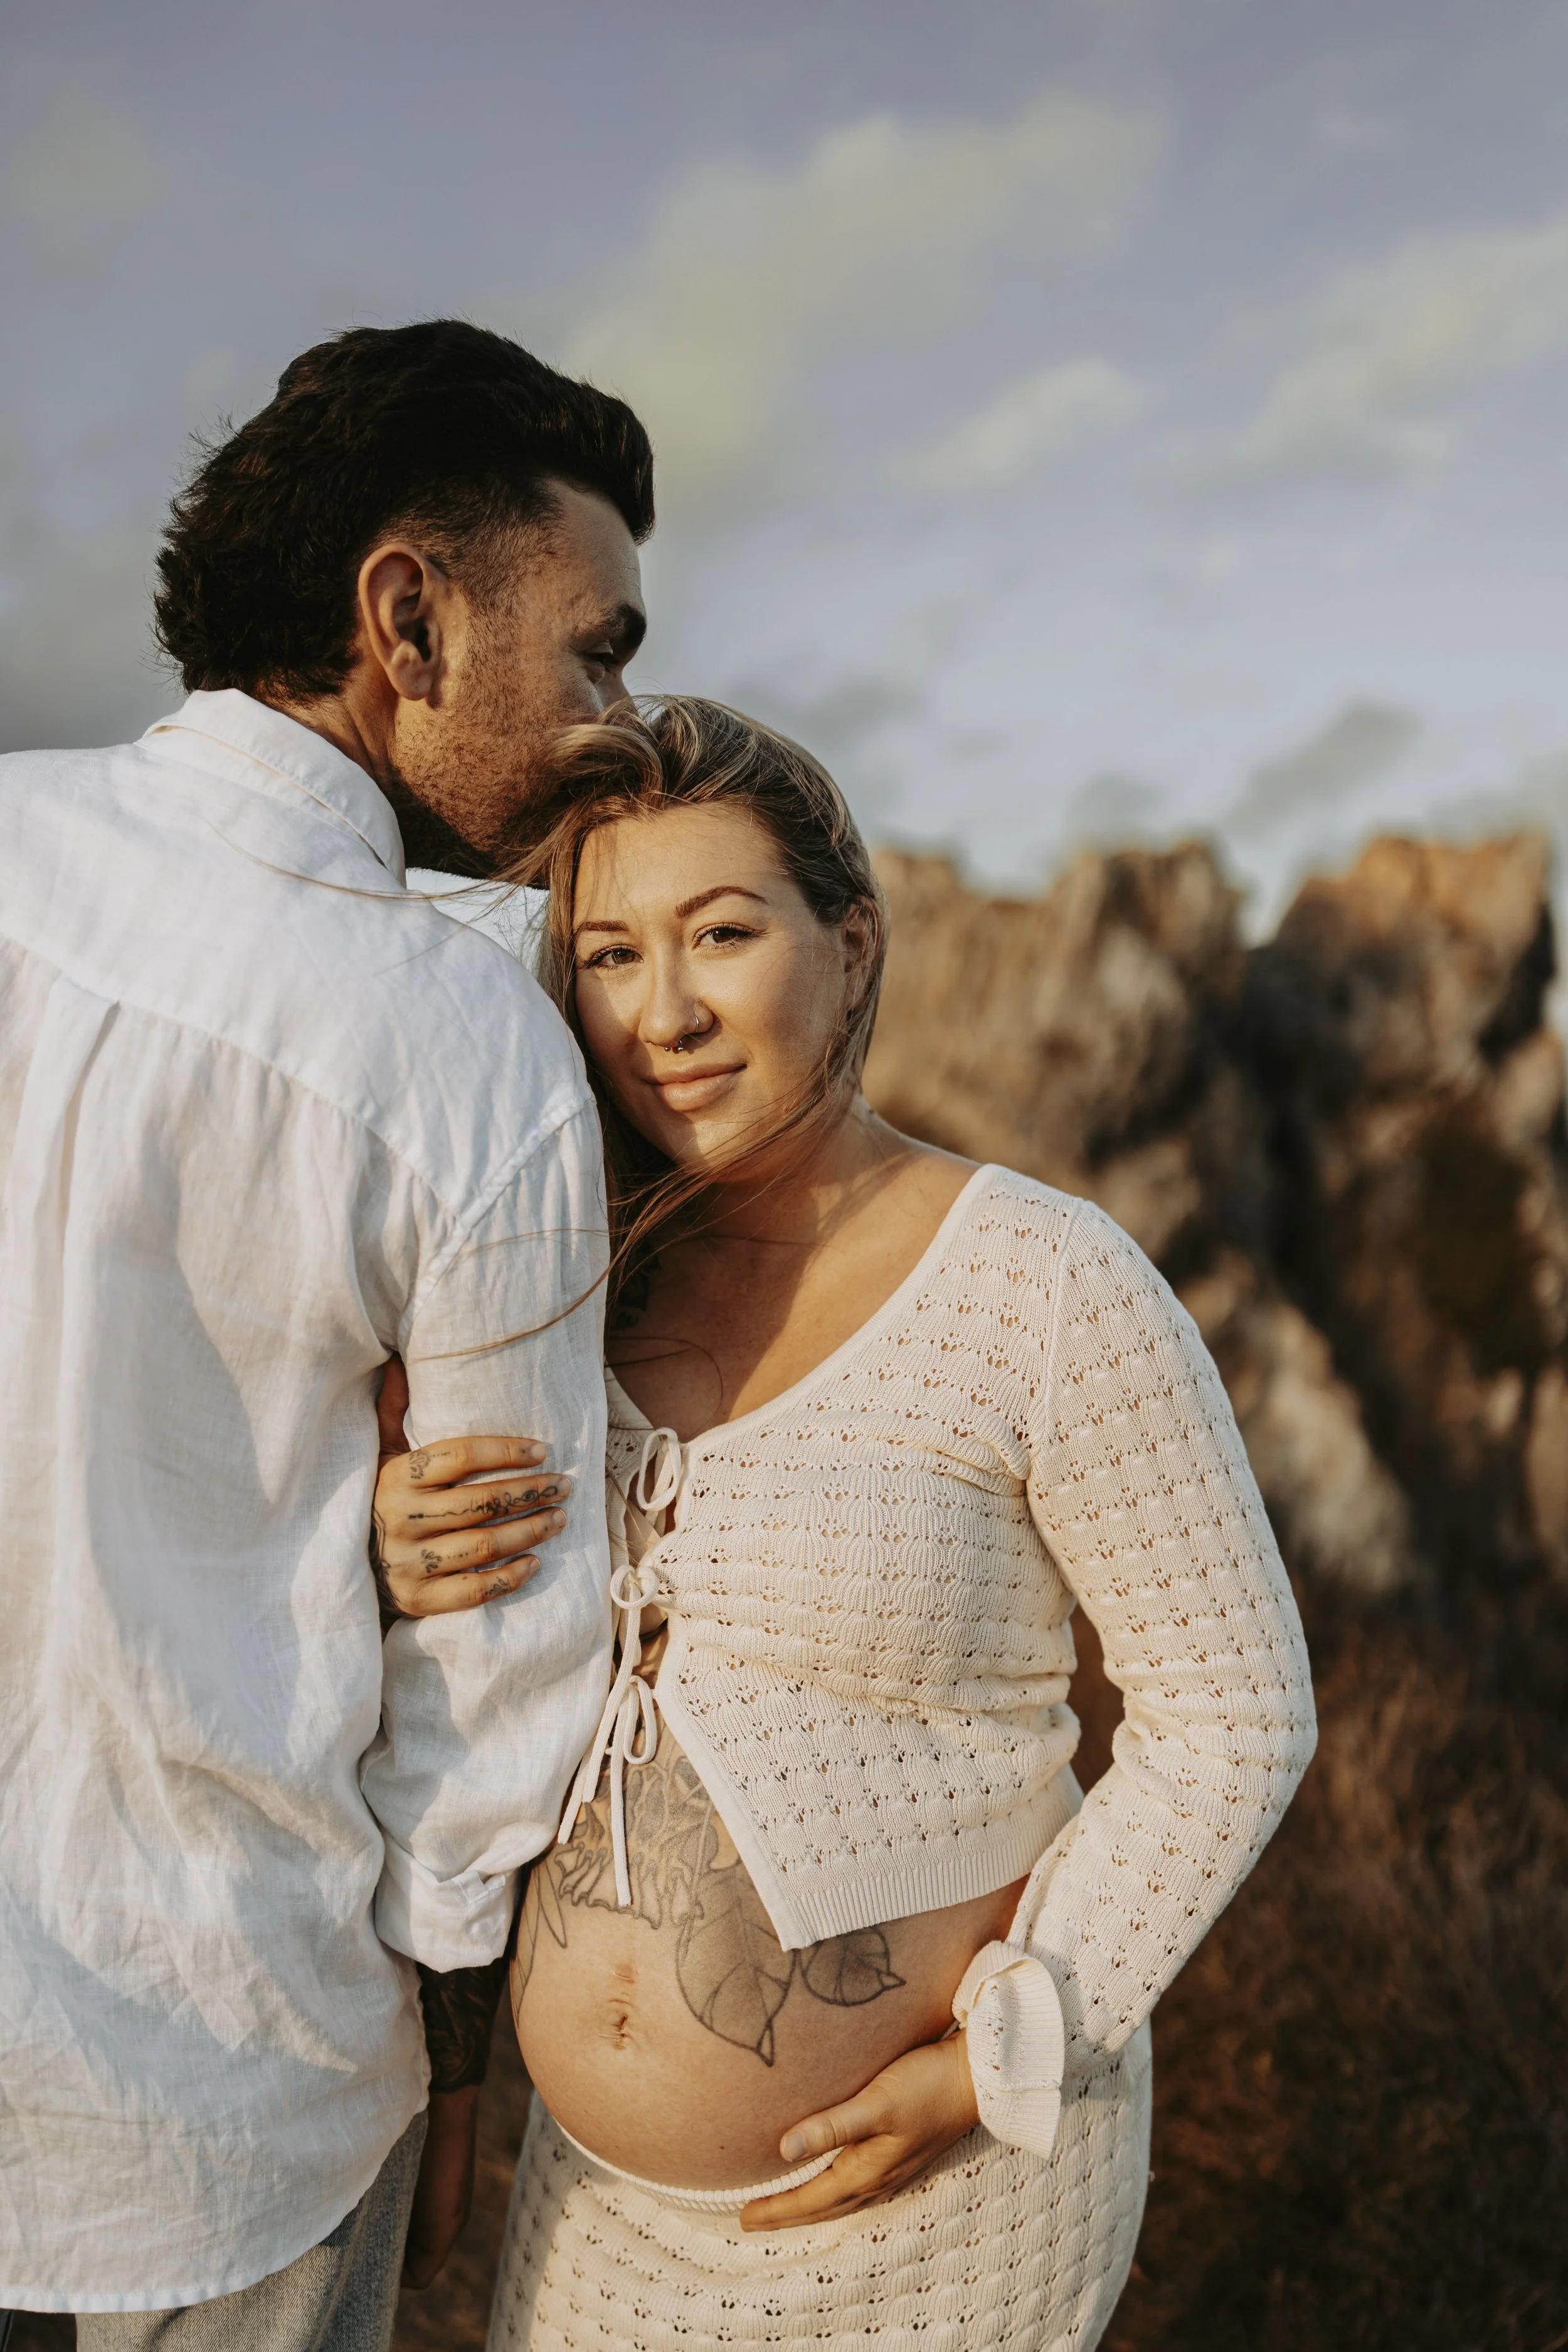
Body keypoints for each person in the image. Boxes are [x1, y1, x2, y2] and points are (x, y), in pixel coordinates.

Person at [371, 697, 1320, 2351]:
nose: (663, 1010)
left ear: (850, 943)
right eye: (607, 954)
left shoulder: (1039, 1281)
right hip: (592, 2210)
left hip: (927, 2209)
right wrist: (389, 1545)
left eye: (721, 932)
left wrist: (1015, 2048)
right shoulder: (564, 1288)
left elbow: (1232, 1713)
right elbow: (469, 1665)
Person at [0, 320, 654, 2346]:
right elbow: (503, 1654)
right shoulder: (465, 1045)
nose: (613, 722)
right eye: (593, 647)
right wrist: (450, 2020)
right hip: (223, 2082)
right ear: (408, 616)